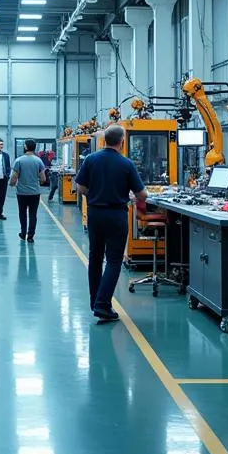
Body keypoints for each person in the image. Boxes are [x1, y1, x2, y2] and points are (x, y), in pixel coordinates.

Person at [75, 124, 148, 322]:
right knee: (114, 260)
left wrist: (98, 194)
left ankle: (95, 301)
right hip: (116, 215)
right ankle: (103, 305)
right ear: (122, 142)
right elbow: (142, 194)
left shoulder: (90, 160)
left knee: (95, 257)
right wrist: (131, 195)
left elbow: (81, 188)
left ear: (105, 140)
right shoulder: (126, 164)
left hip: (95, 214)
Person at [10, 139, 46, 243]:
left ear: (25, 147)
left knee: (22, 213)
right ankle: (30, 235)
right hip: (35, 192)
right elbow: (43, 179)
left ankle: (23, 233)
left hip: (21, 192)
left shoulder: (19, 161)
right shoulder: (38, 161)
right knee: (33, 214)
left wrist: (11, 184)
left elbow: (14, 178)